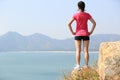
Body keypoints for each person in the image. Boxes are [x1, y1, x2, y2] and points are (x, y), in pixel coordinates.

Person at [68, 1, 96, 70]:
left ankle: (78, 65)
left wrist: (72, 32)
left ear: (78, 7)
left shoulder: (75, 15)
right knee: (86, 50)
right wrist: (91, 31)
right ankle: (86, 65)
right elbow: (94, 23)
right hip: (86, 34)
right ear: (84, 7)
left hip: (77, 34)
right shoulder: (87, 15)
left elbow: (69, 24)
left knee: (78, 50)